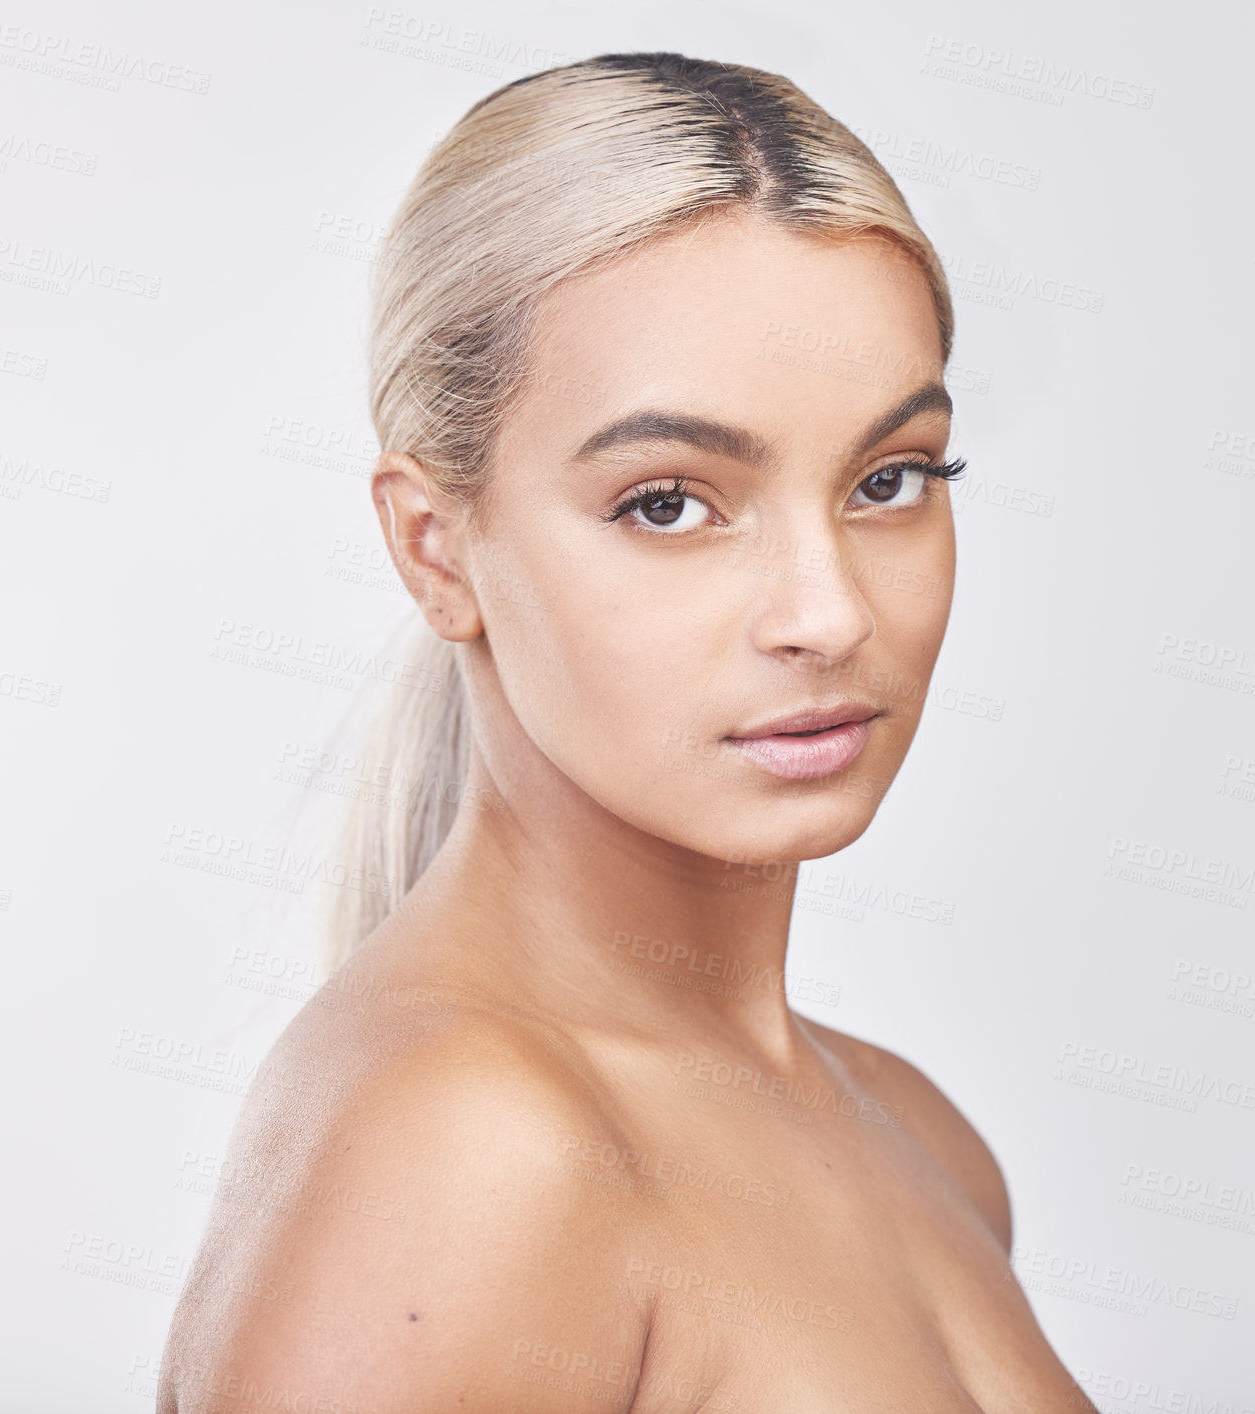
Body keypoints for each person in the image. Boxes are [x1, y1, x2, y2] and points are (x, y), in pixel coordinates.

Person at [158, 51, 1097, 1413]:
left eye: (887, 479)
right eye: (667, 501)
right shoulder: (471, 1152)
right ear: (436, 548)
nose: (826, 612)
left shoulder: (923, 1138)